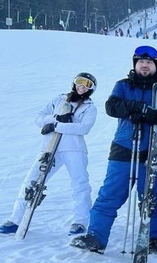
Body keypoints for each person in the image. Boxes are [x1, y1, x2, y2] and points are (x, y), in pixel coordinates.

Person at [70, 46, 157, 254]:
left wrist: (153, 115)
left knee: (152, 197)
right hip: (124, 148)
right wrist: (135, 107)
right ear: (135, 64)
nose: (145, 65)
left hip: (156, 151)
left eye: (149, 62)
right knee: (110, 193)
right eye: (141, 62)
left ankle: (151, 237)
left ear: (156, 65)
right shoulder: (122, 85)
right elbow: (111, 106)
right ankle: (96, 235)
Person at [1, 74, 98, 236]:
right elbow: (39, 118)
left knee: (79, 183)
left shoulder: (89, 107)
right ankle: (16, 219)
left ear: (91, 89)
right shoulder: (59, 100)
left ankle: (80, 221)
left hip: (73, 148)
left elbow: (83, 128)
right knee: (31, 180)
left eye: (87, 84)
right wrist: (54, 119)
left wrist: (58, 126)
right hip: (50, 146)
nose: (82, 86)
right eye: (79, 82)